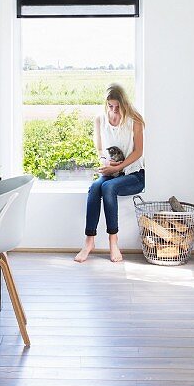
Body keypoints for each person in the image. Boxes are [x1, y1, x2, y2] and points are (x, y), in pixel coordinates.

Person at [75, 84, 145, 264]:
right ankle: (89, 241)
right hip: (111, 172)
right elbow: (99, 148)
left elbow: (138, 152)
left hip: (134, 173)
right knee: (95, 187)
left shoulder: (134, 119)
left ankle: (113, 242)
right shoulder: (100, 119)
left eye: (117, 106)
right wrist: (105, 161)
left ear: (124, 103)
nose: (113, 110)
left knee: (108, 188)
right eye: (110, 106)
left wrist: (118, 168)